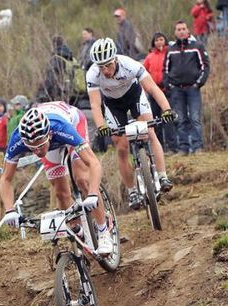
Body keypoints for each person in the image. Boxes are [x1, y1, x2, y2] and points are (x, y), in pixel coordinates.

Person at [0, 101, 113, 255]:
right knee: (60, 192)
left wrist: (92, 193)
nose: (37, 151)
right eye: (31, 147)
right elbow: (6, 179)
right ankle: (78, 230)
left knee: (82, 179)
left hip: (73, 122)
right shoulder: (18, 139)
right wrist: (9, 209)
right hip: (51, 144)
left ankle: (103, 231)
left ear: (48, 134)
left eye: (39, 145)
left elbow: (94, 164)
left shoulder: (60, 128)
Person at [86, 38, 175, 210]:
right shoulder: (92, 74)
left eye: (108, 65)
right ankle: (132, 190)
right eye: (101, 66)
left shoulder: (130, 64)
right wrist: (101, 125)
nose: (105, 70)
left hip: (135, 97)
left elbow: (153, 88)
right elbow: (95, 105)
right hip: (113, 105)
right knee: (121, 146)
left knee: (149, 131)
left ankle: (162, 175)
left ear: (116, 59)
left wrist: (166, 109)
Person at [163, 20, 210, 156]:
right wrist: (169, 85)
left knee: (195, 118)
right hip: (176, 89)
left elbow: (205, 66)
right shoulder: (170, 50)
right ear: (175, 32)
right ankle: (184, 148)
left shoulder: (197, 46)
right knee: (181, 119)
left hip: (193, 88)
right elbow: (165, 69)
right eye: (179, 29)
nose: (181, 31)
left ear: (188, 31)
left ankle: (198, 147)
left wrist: (199, 83)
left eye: (184, 29)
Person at [143, 33, 178, 154]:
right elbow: (144, 72)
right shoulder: (150, 57)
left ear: (165, 41)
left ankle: (172, 147)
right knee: (155, 120)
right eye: (157, 40)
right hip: (153, 93)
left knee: (168, 119)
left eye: (161, 39)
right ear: (154, 42)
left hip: (167, 91)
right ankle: (159, 147)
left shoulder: (169, 54)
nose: (159, 42)